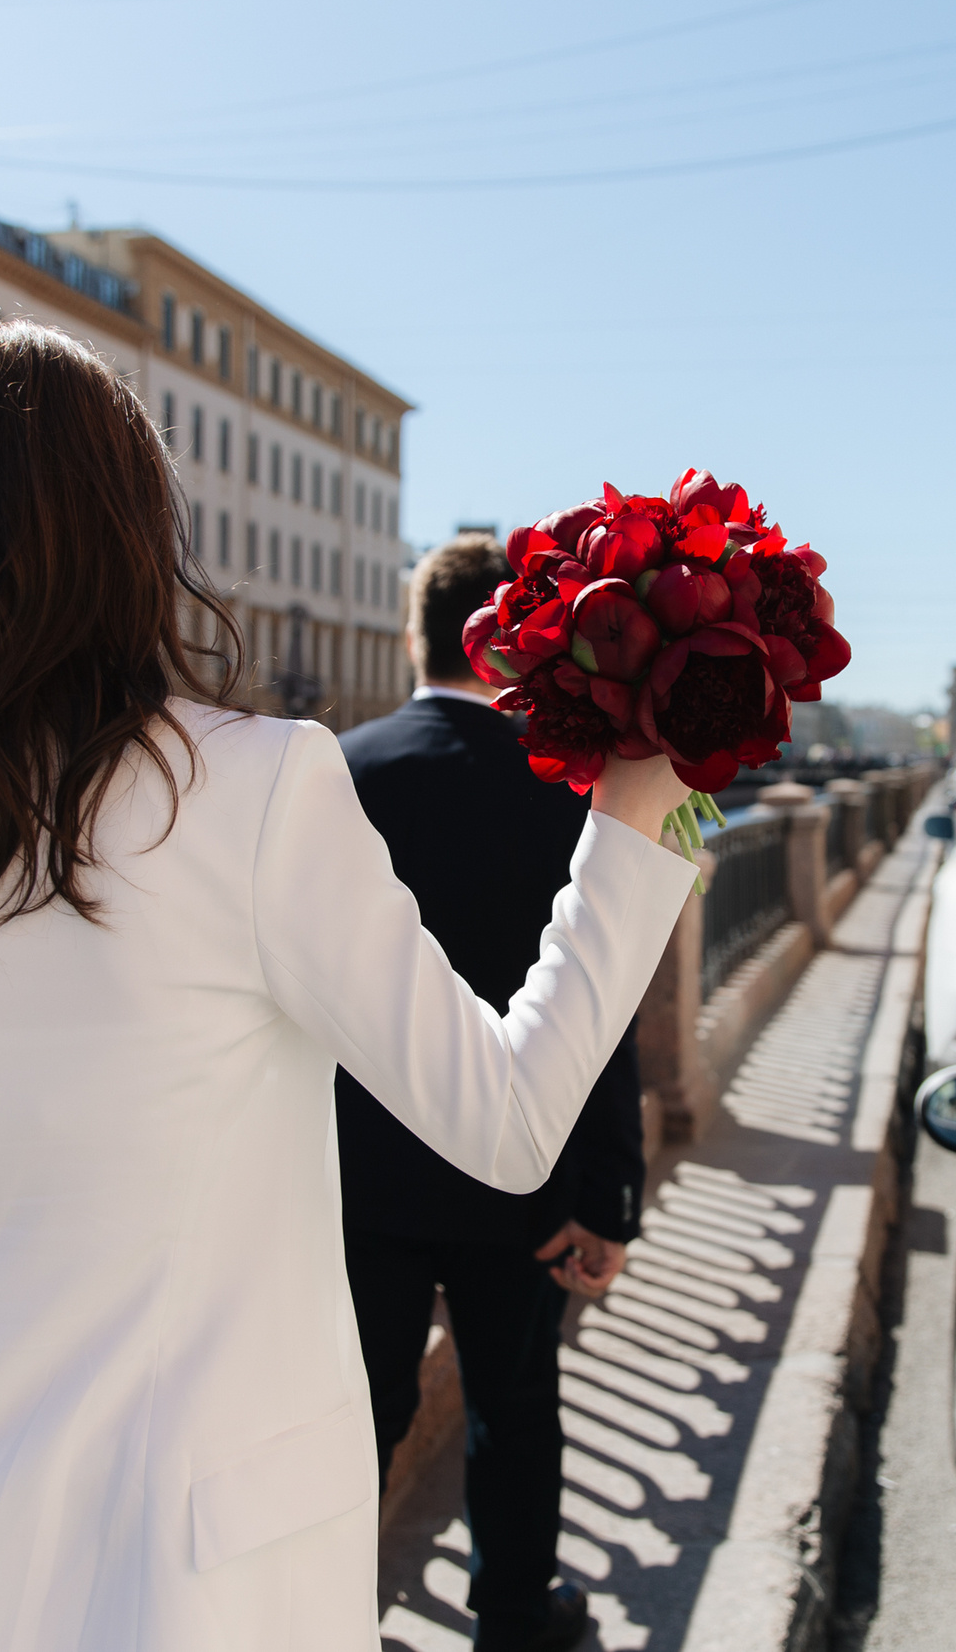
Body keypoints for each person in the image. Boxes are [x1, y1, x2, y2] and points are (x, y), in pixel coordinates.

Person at [0, 320, 697, 1652]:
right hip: (187, 1550)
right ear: (130, 531)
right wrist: (641, 820)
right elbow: (509, 1125)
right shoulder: (257, 782)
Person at [337, 536, 643, 1652]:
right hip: (522, 1165)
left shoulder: (340, 772)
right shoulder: (564, 787)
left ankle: (316, 1617)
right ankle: (514, 1617)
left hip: (357, 1174)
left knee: (354, 1416)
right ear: (512, 647)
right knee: (514, 1407)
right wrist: (610, 1192)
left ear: (415, 635)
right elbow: (601, 1004)